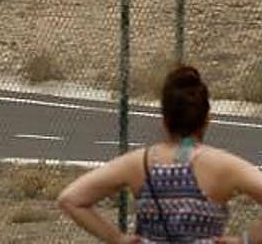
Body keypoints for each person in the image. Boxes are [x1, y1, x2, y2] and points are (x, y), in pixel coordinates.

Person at [58, 64, 262, 242]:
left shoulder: (139, 163)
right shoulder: (224, 166)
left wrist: (116, 238)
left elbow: (70, 199)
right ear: (207, 119)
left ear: (164, 121)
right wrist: (245, 240)